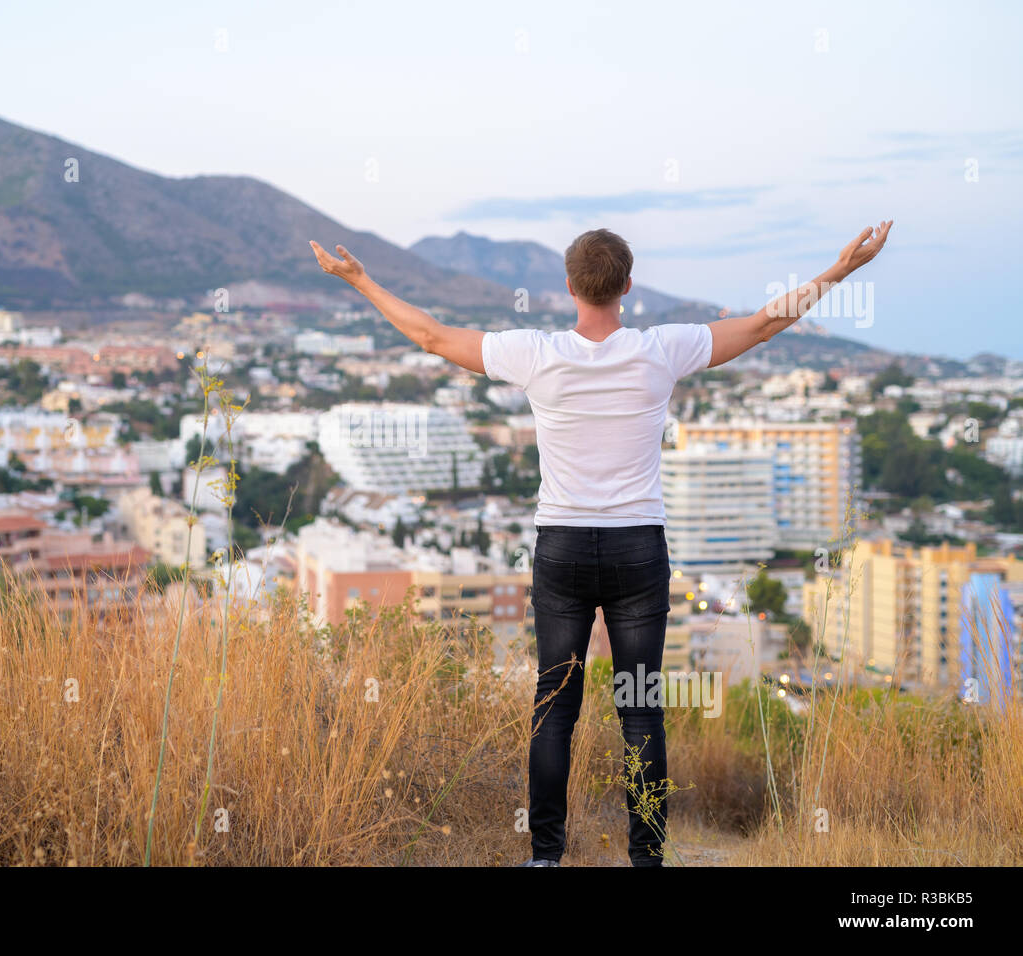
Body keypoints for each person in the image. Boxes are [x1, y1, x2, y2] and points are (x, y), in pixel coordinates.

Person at [309, 220, 892, 866]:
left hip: (559, 547)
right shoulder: (660, 349)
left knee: (555, 703)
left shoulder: (536, 353)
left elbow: (430, 335)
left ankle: (546, 856)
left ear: (568, 287)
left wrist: (360, 279)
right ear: (628, 287)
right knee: (640, 708)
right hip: (637, 550)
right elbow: (761, 325)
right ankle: (647, 857)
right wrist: (840, 271)